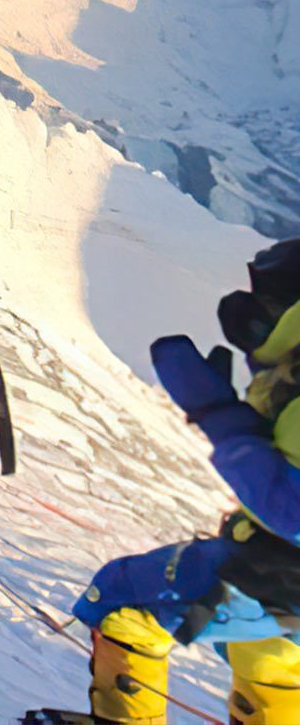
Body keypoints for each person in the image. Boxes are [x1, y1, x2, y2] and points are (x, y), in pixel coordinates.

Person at [44, 239, 300, 725]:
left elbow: (292, 510)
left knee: (121, 601)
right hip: (282, 571)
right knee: (270, 656)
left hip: (287, 571)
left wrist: (219, 414)